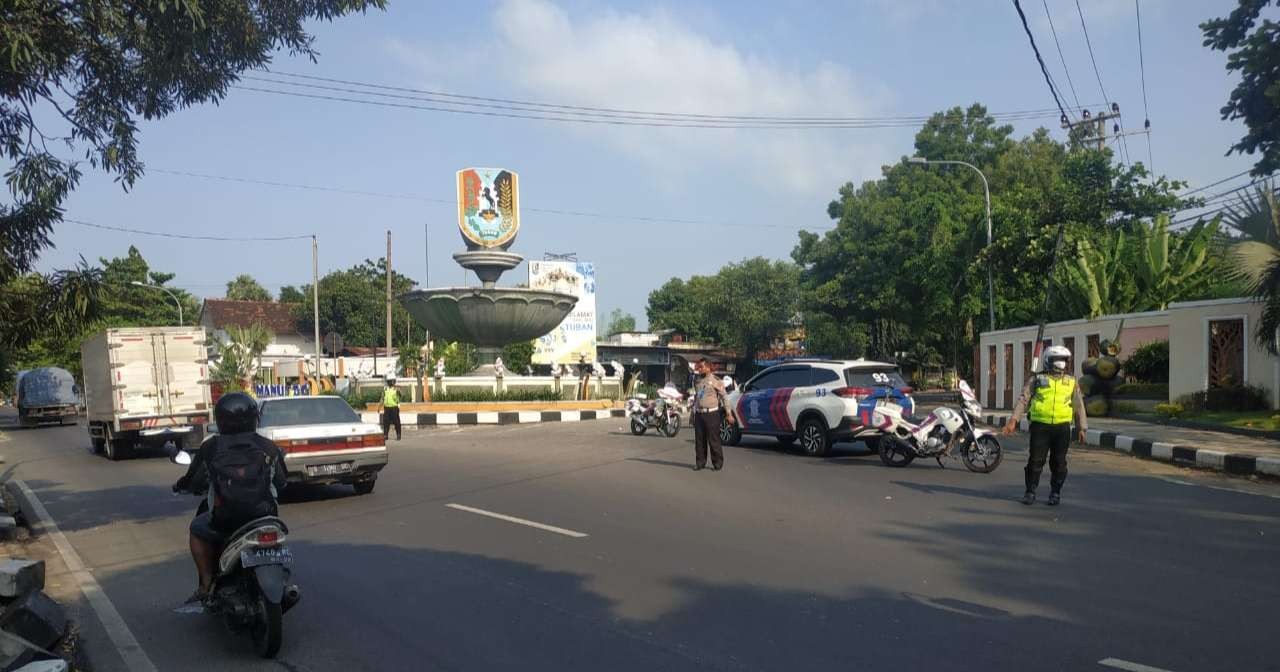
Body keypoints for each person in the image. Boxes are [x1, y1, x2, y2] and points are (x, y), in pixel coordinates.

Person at [173, 392, 286, 602]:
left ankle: (206, 585)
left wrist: (181, 485)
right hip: (265, 516)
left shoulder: (211, 447)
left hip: (225, 520)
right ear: (254, 418)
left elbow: (194, 479)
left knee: (196, 530)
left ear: (220, 419)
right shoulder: (266, 445)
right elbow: (281, 480)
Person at [1002, 345, 1088, 506]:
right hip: (1040, 427)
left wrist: (1081, 427)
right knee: (1035, 460)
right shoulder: (1037, 379)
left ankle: (1055, 492)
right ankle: (1030, 491)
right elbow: (1024, 399)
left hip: (1062, 428)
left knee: (1059, 462)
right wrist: (1014, 420)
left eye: (1063, 360)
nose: (1061, 363)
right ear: (1048, 361)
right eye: (1057, 360)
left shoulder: (1071, 381)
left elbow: (1078, 405)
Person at [691, 358, 732, 471]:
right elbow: (697, 398)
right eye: (698, 367)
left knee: (713, 440)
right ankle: (700, 462)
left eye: (702, 367)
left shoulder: (715, 380)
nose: (699, 369)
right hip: (699, 414)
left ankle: (717, 463)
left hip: (712, 414)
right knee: (699, 440)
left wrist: (728, 413)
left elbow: (724, 396)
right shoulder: (698, 381)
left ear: (708, 367)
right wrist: (692, 414)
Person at [382, 376, 402, 441]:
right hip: (386, 408)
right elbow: (382, 398)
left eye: (392, 381)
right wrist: (379, 407)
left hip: (394, 408)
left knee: (396, 422)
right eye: (389, 381)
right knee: (386, 422)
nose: (390, 382)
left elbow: (401, 395)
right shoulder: (385, 389)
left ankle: (398, 435)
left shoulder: (396, 389)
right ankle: (385, 435)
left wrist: (399, 391)